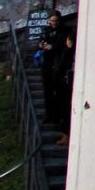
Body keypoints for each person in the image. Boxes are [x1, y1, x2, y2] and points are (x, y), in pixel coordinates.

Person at [39, 9, 75, 139]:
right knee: (47, 90)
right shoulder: (45, 30)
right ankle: (50, 115)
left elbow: (66, 46)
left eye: (56, 21)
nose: (53, 23)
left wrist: (52, 47)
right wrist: (42, 45)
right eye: (52, 21)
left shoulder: (65, 31)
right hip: (48, 64)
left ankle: (57, 117)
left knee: (59, 93)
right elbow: (41, 42)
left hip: (59, 64)